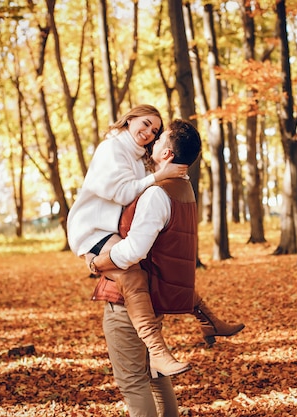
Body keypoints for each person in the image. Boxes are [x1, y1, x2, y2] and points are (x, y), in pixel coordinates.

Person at [67, 105, 191, 377]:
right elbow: (124, 193)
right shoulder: (111, 149)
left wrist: (171, 173)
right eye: (145, 124)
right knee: (132, 275)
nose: (148, 133)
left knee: (155, 268)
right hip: (93, 228)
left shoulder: (137, 156)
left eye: (155, 131)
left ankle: (208, 320)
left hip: (112, 228)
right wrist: (160, 176)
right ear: (130, 119)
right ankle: (158, 352)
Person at [90, 119, 204, 416]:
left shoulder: (157, 193)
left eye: (158, 139)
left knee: (133, 380)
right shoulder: (183, 189)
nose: (151, 143)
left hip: (125, 298)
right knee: (154, 374)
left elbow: (133, 250)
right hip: (150, 295)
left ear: (167, 153)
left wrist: (98, 262)